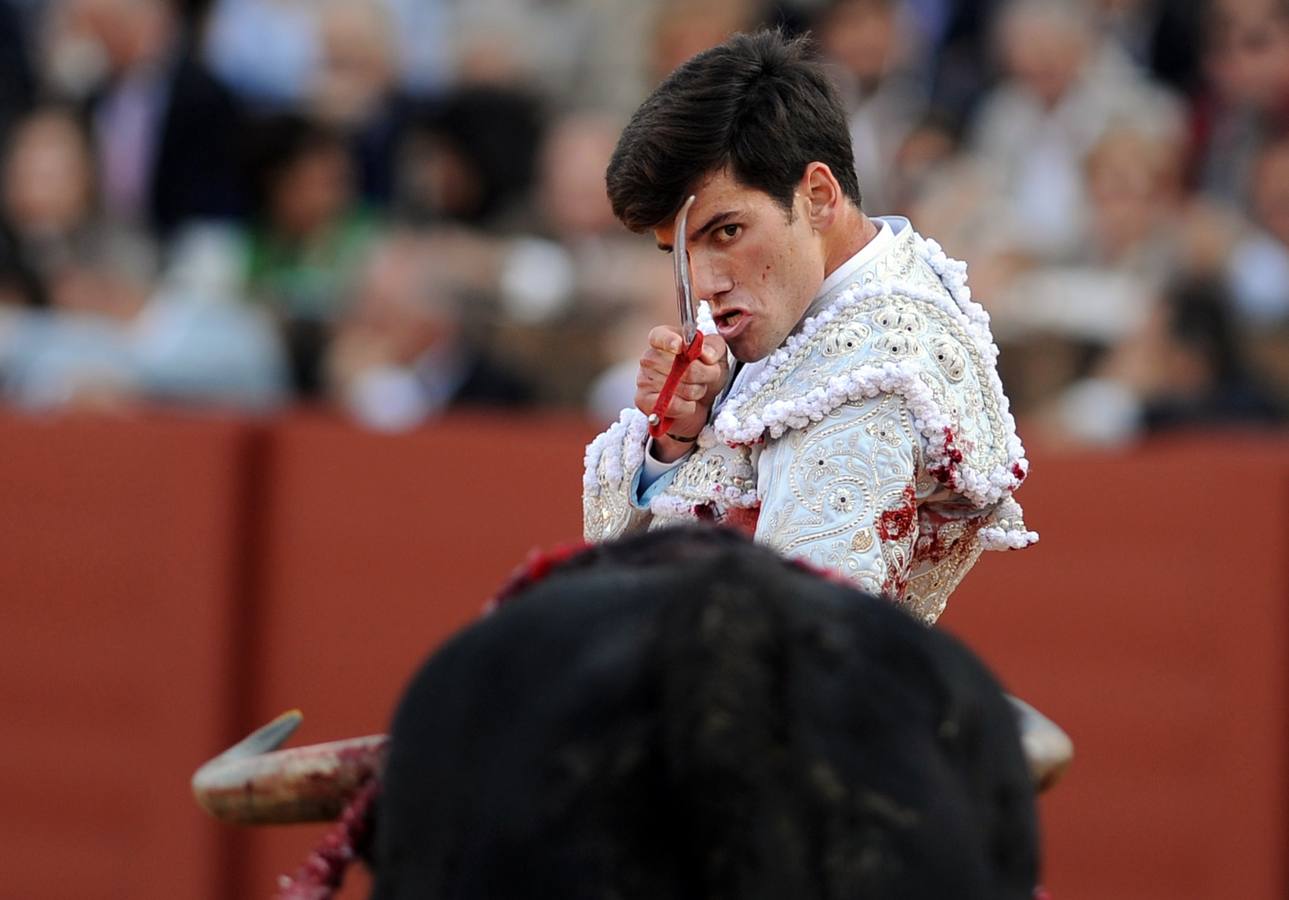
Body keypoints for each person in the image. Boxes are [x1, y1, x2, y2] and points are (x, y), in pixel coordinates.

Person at [582, 30, 1036, 624]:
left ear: (818, 196)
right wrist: (677, 443)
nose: (704, 285)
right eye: (679, 253)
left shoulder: (874, 379)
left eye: (727, 232)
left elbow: (803, 635)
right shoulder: (809, 296)